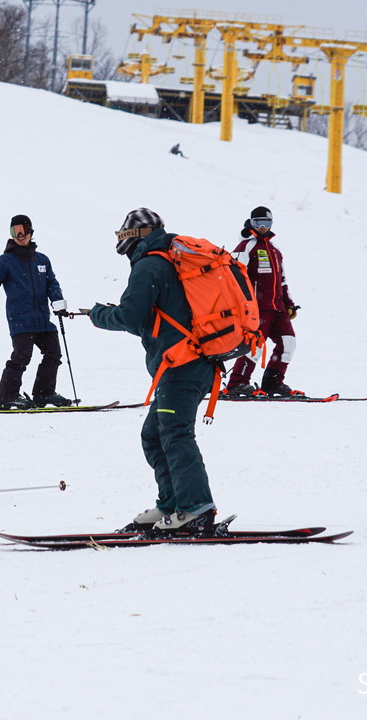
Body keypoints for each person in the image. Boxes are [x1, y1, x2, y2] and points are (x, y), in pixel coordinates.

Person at [89, 208, 217, 536]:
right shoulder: (171, 261)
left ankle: (196, 509)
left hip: (182, 365)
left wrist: (99, 315)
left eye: (124, 237)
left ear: (136, 238)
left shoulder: (150, 265)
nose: (122, 245)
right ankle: (173, 503)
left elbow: (130, 317)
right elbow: (153, 321)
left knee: (174, 434)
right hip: (189, 363)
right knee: (155, 434)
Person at [0, 214, 75, 410]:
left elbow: (52, 284)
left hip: (42, 318)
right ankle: (7, 396)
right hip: (20, 319)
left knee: (53, 353)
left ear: (31, 232)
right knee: (22, 356)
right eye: (14, 232)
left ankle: (44, 393)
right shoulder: (6, 261)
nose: (19, 235)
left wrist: (58, 303)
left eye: (22, 231)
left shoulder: (42, 260)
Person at [225, 206, 301, 397]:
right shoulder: (246, 247)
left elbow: (282, 280)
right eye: (258, 223)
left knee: (288, 343)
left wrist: (289, 304)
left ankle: (273, 383)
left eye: (266, 223)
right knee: (254, 346)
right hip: (256, 308)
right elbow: (232, 278)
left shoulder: (275, 251)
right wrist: (242, 303)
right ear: (251, 223)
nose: (262, 227)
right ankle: (237, 384)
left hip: (278, 308)